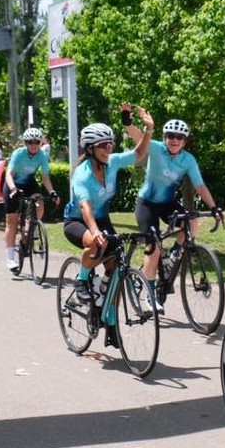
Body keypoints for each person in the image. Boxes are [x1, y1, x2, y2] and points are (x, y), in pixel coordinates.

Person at [119, 101, 225, 315]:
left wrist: (214, 207)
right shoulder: (156, 148)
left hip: (167, 204)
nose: (175, 140)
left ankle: (172, 256)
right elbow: (139, 138)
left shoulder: (188, 159)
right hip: (147, 203)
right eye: (170, 136)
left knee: (192, 221)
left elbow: (200, 185)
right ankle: (149, 293)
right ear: (165, 138)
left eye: (180, 137)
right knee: (154, 246)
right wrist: (127, 121)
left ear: (185, 141)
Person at [61, 115, 152, 348]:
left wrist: (148, 129)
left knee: (117, 270)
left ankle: (110, 322)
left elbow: (139, 154)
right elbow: (85, 207)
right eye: (102, 145)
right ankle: (81, 281)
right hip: (77, 221)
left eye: (109, 144)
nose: (108, 148)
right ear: (90, 149)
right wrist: (95, 231)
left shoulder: (112, 162)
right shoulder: (82, 174)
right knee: (95, 243)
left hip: (102, 219)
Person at [2, 127, 59, 271]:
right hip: (12, 184)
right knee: (12, 220)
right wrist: (13, 189)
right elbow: (9, 174)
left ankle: (32, 226)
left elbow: (45, 177)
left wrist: (52, 191)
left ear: (40, 142)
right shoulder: (18, 154)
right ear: (25, 143)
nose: (33, 145)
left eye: (36, 142)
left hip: (28, 183)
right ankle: (10, 259)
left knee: (39, 203)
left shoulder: (42, 156)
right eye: (30, 142)